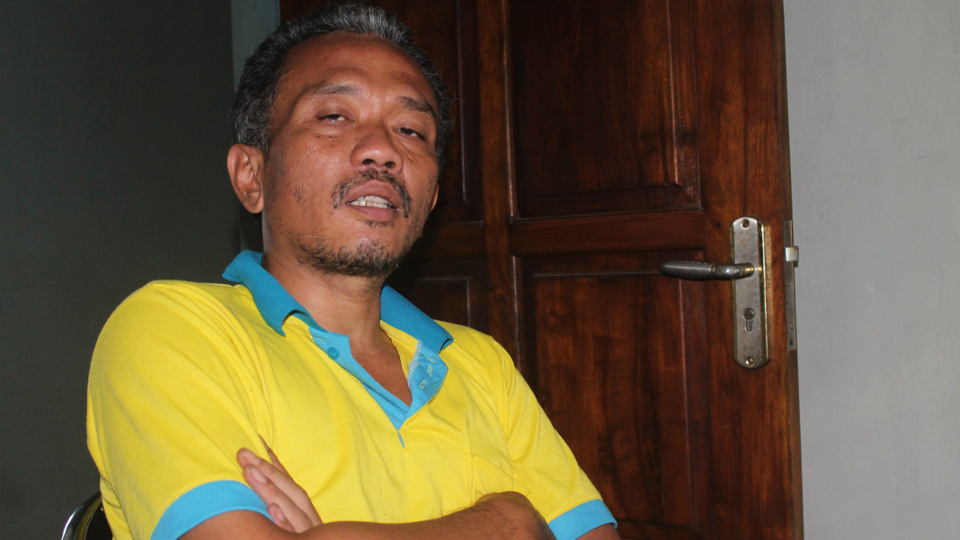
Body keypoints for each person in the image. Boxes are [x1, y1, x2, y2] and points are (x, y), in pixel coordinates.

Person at [87, 4, 619, 539]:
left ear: (432, 197)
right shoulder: (174, 329)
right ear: (251, 176)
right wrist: (510, 523)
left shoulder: (482, 365)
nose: (382, 150)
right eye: (335, 117)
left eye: (411, 130)